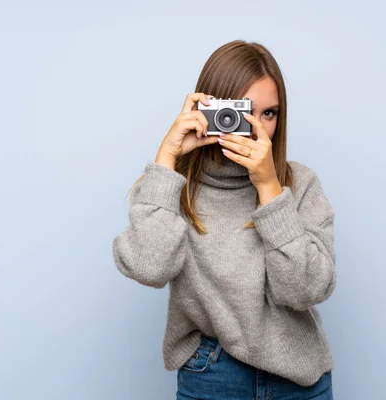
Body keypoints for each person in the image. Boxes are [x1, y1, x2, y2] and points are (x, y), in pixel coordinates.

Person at [112, 39, 336, 399]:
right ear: (212, 108)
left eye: (269, 113)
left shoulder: (299, 183)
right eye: (243, 110)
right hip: (212, 376)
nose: (255, 127)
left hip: (300, 380)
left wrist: (269, 189)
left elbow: (307, 289)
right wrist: (166, 158)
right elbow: (148, 268)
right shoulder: (175, 187)